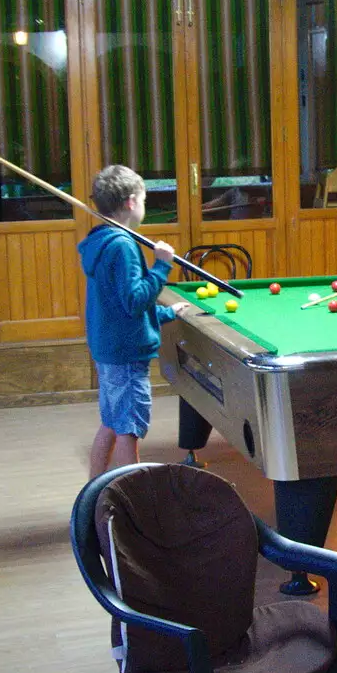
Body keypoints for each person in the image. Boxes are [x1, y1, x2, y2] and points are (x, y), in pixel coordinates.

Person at [78, 165, 190, 479]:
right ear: (130, 203)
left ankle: (94, 489)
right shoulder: (123, 245)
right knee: (128, 428)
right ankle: (131, 500)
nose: (143, 206)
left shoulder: (101, 239)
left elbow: (119, 304)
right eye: (142, 200)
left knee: (112, 422)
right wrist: (162, 267)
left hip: (110, 348)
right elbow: (134, 300)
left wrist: (167, 314)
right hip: (126, 355)